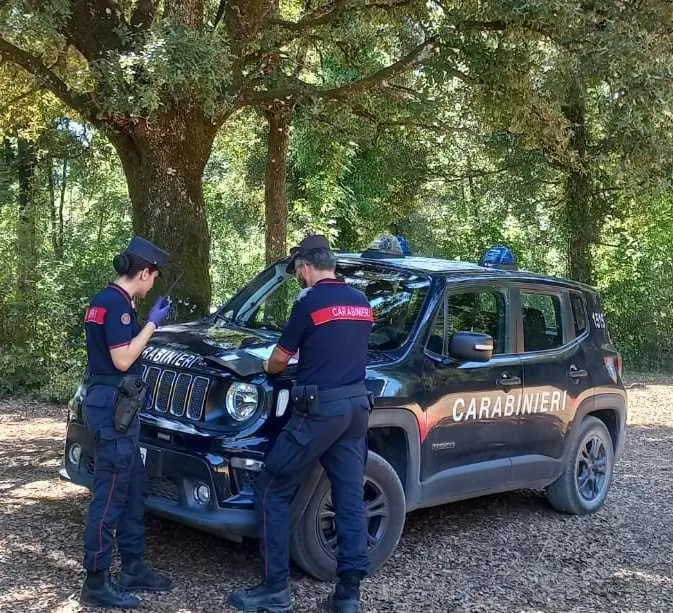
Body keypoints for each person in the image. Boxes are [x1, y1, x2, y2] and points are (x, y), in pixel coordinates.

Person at [229, 235, 373, 613]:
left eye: (297, 270)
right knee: (349, 496)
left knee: (272, 487)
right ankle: (347, 596)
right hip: (356, 408)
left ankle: (274, 590)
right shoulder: (361, 302)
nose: (297, 276)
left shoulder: (309, 302)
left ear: (307, 265)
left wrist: (266, 367)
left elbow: (279, 358)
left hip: (319, 411)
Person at [79, 236, 174, 609]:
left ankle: (133, 567)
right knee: (110, 492)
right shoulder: (115, 305)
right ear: (145, 272)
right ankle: (96, 581)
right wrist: (150, 325)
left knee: (134, 485)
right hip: (113, 406)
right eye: (154, 277)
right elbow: (122, 360)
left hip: (115, 405)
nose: (153, 285)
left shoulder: (104, 300)